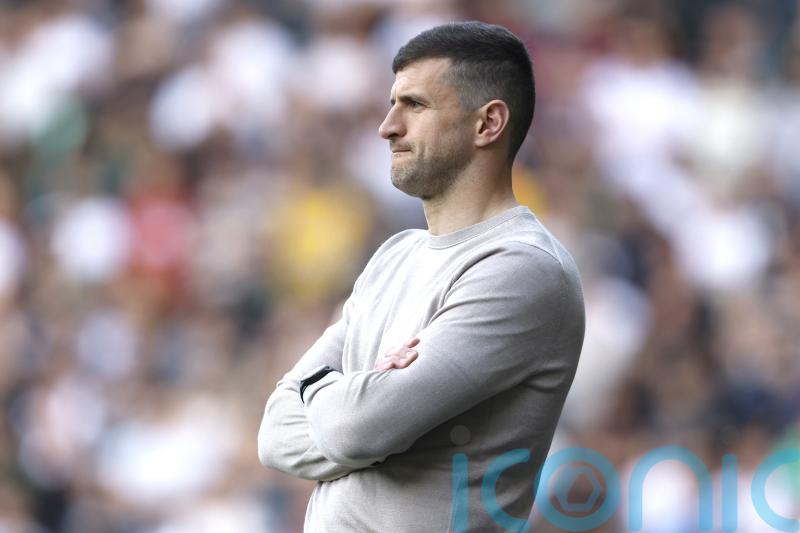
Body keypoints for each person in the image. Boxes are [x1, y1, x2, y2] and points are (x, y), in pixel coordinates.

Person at [258, 21, 585, 532]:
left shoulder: (522, 269)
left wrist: (321, 390)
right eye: (392, 104)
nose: (388, 126)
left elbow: (358, 431)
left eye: (415, 105)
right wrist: (361, 394)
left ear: (488, 124)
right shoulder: (394, 255)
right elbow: (273, 435)